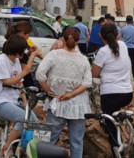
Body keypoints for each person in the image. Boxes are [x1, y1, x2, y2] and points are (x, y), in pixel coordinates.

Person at [36, 26, 92, 158]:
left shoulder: (53, 55)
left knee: (49, 141)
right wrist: (71, 94)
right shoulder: (83, 59)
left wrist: (49, 93)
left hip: (57, 102)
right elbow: (87, 82)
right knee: (77, 142)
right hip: (79, 106)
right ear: (78, 41)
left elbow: (40, 75)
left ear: (63, 39)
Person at [0, 34, 39, 155]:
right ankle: (6, 147)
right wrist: (25, 72)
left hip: (14, 100)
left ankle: (23, 148)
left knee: (34, 121)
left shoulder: (15, 61)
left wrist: (26, 103)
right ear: (17, 51)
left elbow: (20, 84)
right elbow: (7, 81)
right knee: (23, 119)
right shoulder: (1, 60)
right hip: (0, 101)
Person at [91, 23, 133, 151]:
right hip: (127, 94)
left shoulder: (103, 52)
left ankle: (116, 148)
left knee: (109, 125)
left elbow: (95, 74)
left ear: (100, 35)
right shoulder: (123, 45)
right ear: (117, 34)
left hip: (110, 95)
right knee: (114, 115)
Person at [4, 21, 43, 87]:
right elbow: (25, 69)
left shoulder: (11, 44)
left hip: (20, 82)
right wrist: (34, 55)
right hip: (22, 82)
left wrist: (29, 53)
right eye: (28, 35)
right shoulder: (14, 45)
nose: (28, 38)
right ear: (22, 33)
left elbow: (20, 59)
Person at [120, 15, 134, 81]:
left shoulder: (122, 29)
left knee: (124, 62)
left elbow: (122, 37)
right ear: (132, 21)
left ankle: (123, 77)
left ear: (126, 21)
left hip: (125, 48)